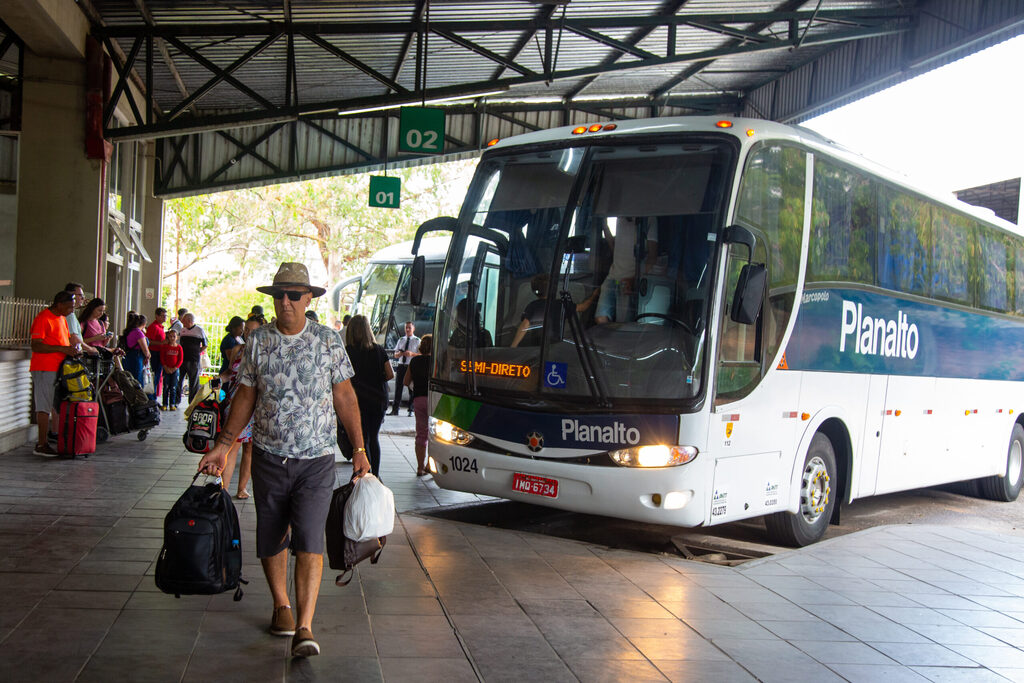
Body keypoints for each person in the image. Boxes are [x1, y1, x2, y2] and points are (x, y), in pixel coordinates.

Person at [197, 262, 370, 659]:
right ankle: (282, 606)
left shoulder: (328, 341)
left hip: (317, 460)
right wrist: (223, 445)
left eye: (294, 295)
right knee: (272, 535)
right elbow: (245, 396)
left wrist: (359, 450)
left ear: (309, 299)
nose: (286, 302)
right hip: (270, 458)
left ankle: (305, 626)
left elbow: (345, 397)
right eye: (279, 295)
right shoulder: (258, 343)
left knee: (310, 538)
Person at [30, 291, 78, 457]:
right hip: (44, 368)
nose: (72, 310)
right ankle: (41, 444)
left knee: (53, 405)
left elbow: (63, 341)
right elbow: (36, 345)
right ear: (59, 304)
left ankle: (50, 440)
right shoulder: (43, 318)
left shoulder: (62, 319)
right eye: (70, 307)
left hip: (58, 368)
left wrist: (72, 349)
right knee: (43, 406)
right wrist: (62, 349)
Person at [345, 314, 393, 478]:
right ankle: (376, 474)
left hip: (357, 401)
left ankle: (365, 472)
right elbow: (390, 374)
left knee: (361, 439)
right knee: (373, 437)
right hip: (378, 400)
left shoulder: (348, 352)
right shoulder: (378, 350)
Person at [595, 216, 660, 324]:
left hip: (629, 280)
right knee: (600, 318)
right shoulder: (620, 217)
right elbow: (615, 248)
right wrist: (605, 226)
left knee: (624, 324)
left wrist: (636, 280)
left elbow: (652, 257)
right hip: (613, 277)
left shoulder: (649, 218)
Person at [510, 273, 597, 347]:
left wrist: (513, 347)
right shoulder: (561, 304)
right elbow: (584, 307)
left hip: (537, 345)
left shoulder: (533, 306)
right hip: (556, 345)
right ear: (553, 288)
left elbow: (524, 325)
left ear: (534, 291)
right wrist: (594, 295)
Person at [234, 315, 265, 500]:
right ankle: (221, 487)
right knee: (231, 447)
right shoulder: (238, 350)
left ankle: (242, 487)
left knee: (249, 449)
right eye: (246, 330)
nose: (248, 334)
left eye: (253, 331)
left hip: (256, 407)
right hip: (238, 402)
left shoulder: (265, 351)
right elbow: (230, 373)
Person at [403, 334, 432, 476]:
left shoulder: (414, 361)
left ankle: (420, 468)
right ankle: (430, 466)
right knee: (436, 435)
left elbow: (405, 381)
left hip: (419, 400)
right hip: (435, 400)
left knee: (421, 434)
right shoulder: (437, 361)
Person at [390, 321, 419, 416]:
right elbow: (395, 354)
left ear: (413, 328)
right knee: (398, 387)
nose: (407, 329)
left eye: (409, 328)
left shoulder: (417, 341)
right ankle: (395, 409)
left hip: (411, 366)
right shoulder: (401, 340)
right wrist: (400, 354)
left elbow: (421, 354)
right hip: (401, 365)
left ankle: (411, 410)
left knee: (411, 388)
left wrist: (412, 354)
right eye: (406, 327)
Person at [178, 312, 207, 405]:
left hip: (194, 359)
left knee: (193, 381)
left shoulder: (199, 330)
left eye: (184, 321)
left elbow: (205, 345)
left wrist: (197, 351)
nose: (182, 323)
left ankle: (192, 402)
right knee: (179, 380)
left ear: (190, 321)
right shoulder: (182, 330)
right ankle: (176, 400)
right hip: (182, 359)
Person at [63, 282, 98, 355]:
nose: (83, 298)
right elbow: (74, 338)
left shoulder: (70, 313)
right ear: (71, 295)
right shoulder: (69, 315)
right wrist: (90, 349)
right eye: (80, 295)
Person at [122, 313, 151, 390]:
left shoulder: (129, 331)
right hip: (136, 358)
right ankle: (138, 399)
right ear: (144, 324)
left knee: (128, 380)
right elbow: (145, 350)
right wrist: (148, 356)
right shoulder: (138, 333)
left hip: (128, 357)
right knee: (137, 380)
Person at [146, 308, 168, 401]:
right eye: (163, 316)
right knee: (154, 377)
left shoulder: (160, 327)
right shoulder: (153, 327)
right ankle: (151, 398)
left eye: (166, 316)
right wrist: (161, 343)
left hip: (160, 354)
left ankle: (153, 397)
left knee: (158, 376)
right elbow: (148, 341)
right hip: (154, 354)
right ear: (157, 316)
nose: (165, 318)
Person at [160, 329, 184, 410]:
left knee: (173, 387)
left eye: (174, 336)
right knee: (166, 387)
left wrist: (175, 368)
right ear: (168, 337)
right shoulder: (165, 347)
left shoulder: (179, 348)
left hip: (175, 370)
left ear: (177, 337)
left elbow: (180, 360)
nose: (172, 338)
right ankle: (165, 404)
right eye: (170, 336)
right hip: (166, 370)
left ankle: (172, 404)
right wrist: (166, 367)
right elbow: (162, 358)